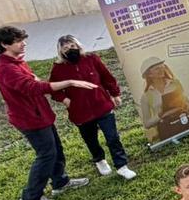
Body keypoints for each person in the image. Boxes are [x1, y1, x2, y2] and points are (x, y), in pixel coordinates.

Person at [0, 26, 94, 200]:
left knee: (55, 150)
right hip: (30, 119)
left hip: (40, 115)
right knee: (46, 155)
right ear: (4, 44)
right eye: (18, 41)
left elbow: (34, 81)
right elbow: (33, 87)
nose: (23, 43)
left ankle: (60, 182)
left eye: (23, 40)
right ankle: (30, 198)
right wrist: (70, 82)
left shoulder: (17, 61)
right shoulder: (6, 68)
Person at [48, 35, 136, 180]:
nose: (70, 50)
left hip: (102, 106)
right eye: (65, 48)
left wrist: (115, 94)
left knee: (112, 137)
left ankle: (122, 166)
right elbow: (53, 89)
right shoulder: (58, 69)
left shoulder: (92, 59)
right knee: (91, 139)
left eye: (72, 46)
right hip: (80, 112)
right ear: (61, 51)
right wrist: (65, 100)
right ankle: (99, 159)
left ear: (78, 46)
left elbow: (106, 77)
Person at [139, 57, 189, 142]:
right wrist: (159, 115)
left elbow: (188, 104)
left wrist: (185, 105)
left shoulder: (175, 84)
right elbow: (147, 124)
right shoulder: (146, 97)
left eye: (162, 66)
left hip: (185, 120)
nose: (161, 69)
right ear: (149, 74)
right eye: (157, 69)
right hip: (167, 130)